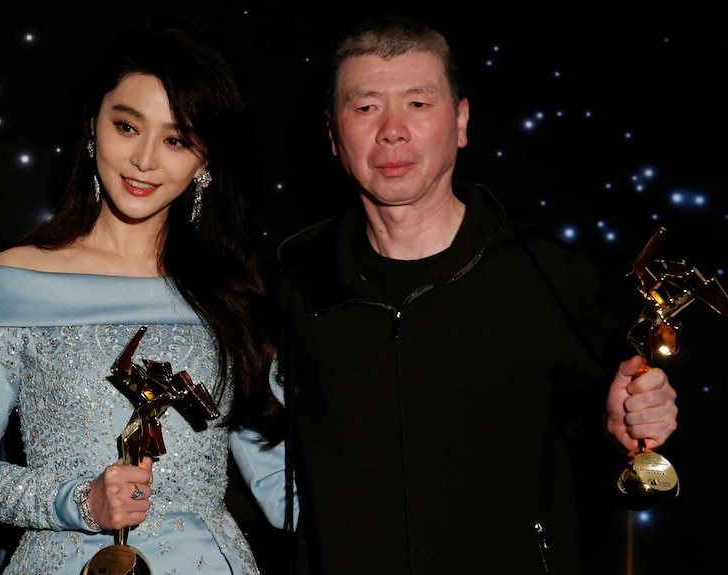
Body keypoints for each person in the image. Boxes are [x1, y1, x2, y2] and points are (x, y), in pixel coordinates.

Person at [273, 15, 679, 574]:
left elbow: (607, 467)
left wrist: (621, 432)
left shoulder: (547, 273)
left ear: (461, 120)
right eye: (365, 107)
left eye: (418, 104)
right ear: (333, 135)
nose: (392, 129)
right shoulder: (294, 279)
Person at [0, 22, 289, 575]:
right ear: (93, 125)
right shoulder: (14, 281)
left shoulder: (233, 294)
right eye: (127, 126)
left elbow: (279, 486)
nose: (145, 159)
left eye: (176, 139)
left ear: (206, 161)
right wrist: (78, 501)